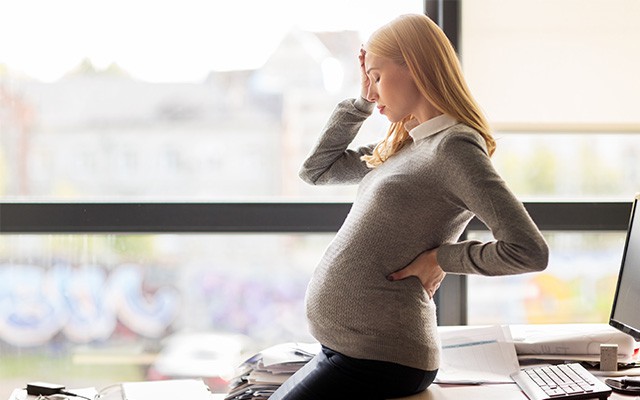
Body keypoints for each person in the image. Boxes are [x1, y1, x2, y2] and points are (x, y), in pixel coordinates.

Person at [270, 13, 549, 400]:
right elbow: (317, 171)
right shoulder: (409, 145)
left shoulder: (453, 147)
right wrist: (361, 100)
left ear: (415, 67)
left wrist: (441, 258)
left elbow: (528, 250)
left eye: (379, 76)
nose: (374, 89)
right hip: (346, 349)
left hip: (381, 360)